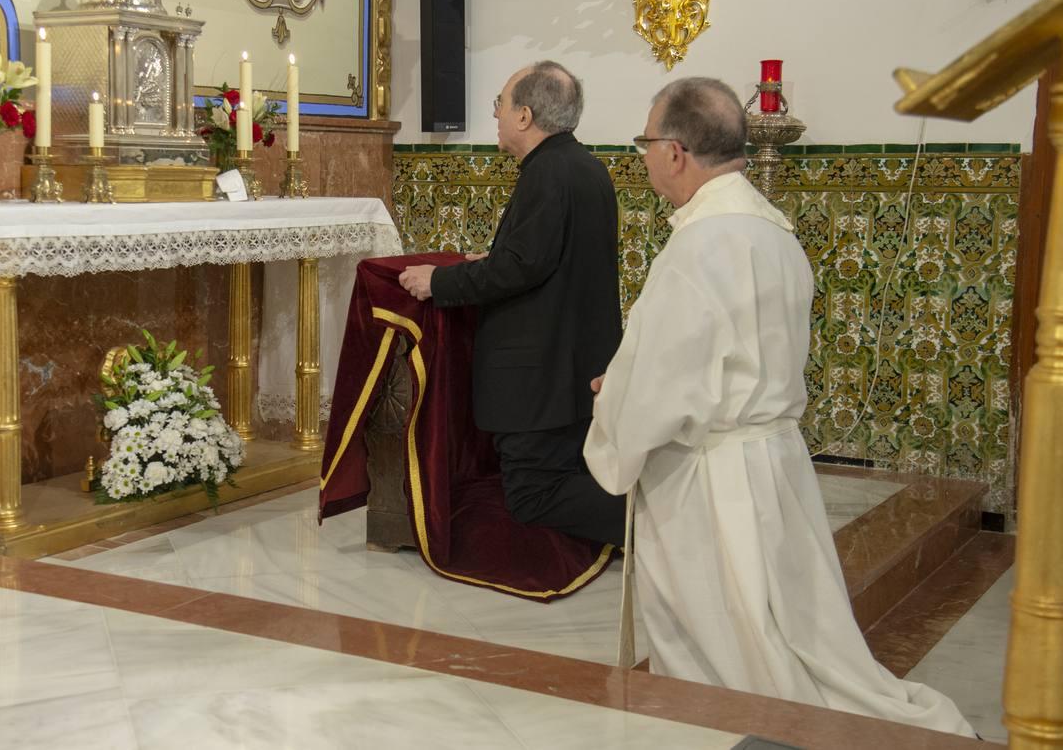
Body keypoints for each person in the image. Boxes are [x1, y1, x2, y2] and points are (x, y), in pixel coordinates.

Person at [582, 77, 974, 737]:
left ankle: (735, 730)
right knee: (785, 617)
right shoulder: (774, 232)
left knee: (723, 636)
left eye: (646, 141)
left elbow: (663, 377)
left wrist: (616, 394)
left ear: (675, 152)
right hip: (772, 457)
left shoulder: (698, 247)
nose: (644, 154)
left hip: (708, 478)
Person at [398, 61, 626, 548]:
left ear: (524, 115)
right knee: (568, 470)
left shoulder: (546, 173)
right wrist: (499, 256)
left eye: (499, 105)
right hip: (575, 365)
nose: (496, 116)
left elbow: (520, 269)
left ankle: (661, 523)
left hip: (539, 376)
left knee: (531, 496)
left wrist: (441, 282)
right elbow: (553, 259)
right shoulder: (586, 167)